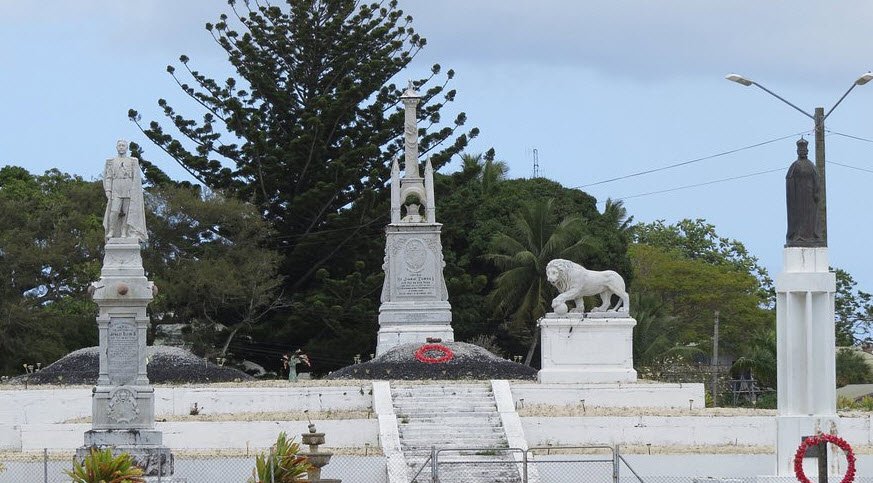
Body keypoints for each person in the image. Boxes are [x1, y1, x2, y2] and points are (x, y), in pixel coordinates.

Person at [103, 140, 148, 242]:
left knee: (127, 212)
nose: (121, 147)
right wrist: (108, 190)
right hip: (116, 188)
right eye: (119, 145)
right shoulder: (112, 161)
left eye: (123, 145)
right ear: (116, 147)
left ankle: (124, 231)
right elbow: (108, 177)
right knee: (114, 211)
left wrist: (134, 191)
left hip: (128, 188)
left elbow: (135, 178)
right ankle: (112, 230)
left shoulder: (132, 161)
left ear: (126, 148)